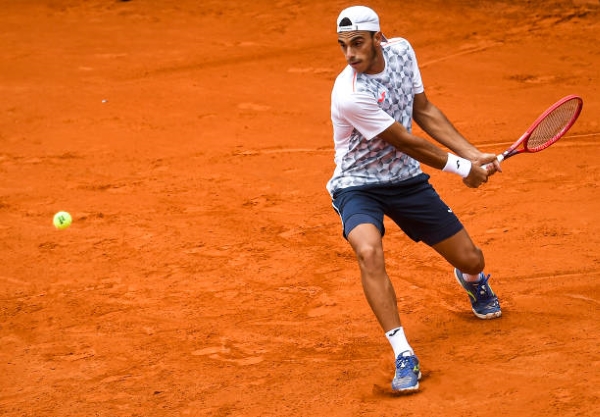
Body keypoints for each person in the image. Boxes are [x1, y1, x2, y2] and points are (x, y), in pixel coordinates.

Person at [327, 6, 502, 393]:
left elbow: (423, 110)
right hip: (358, 184)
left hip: (406, 181)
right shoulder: (350, 93)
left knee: (472, 258)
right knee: (368, 252)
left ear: (378, 38)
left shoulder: (403, 52)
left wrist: (472, 154)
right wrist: (462, 169)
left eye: (357, 43)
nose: (350, 54)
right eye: (343, 46)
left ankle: (472, 281)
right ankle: (403, 352)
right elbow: (405, 140)